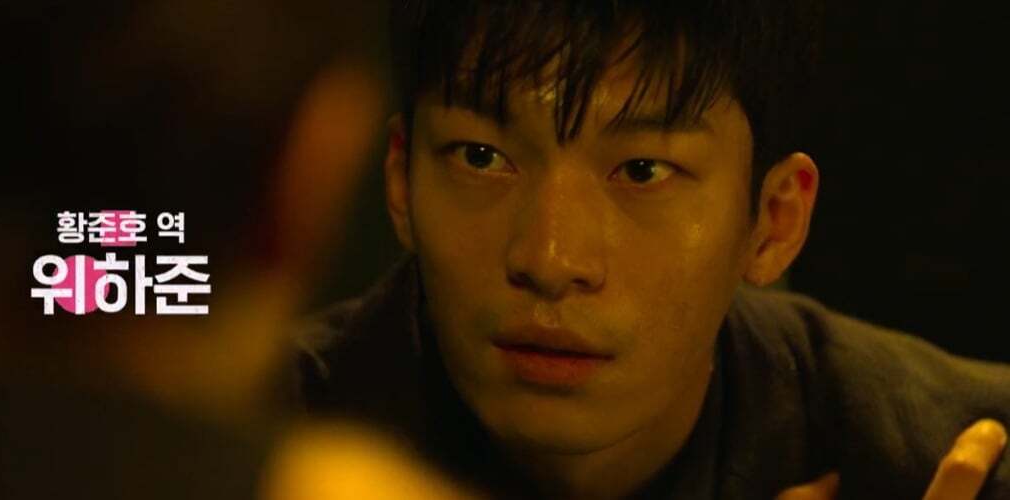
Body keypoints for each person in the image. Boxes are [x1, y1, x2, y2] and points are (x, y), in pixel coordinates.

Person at [290, 1, 1010, 499]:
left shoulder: (944, 454)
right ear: (400, 180)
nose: (550, 259)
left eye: (642, 171)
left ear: (774, 221)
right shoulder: (258, 441)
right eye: (481, 157)